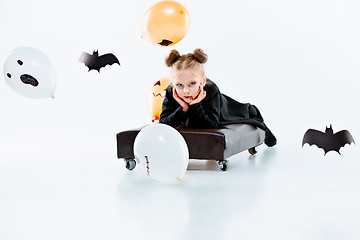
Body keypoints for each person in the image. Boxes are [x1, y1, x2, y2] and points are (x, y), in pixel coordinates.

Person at [159, 48, 277, 147]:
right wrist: (183, 109)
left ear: (203, 81)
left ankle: (253, 114)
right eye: (179, 85)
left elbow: (211, 125)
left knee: (246, 111)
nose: (186, 91)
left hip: (224, 109)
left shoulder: (211, 89)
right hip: (197, 115)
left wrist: (195, 105)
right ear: (172, 83)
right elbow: (163, 122)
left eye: (192, 83)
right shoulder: (171, 92)